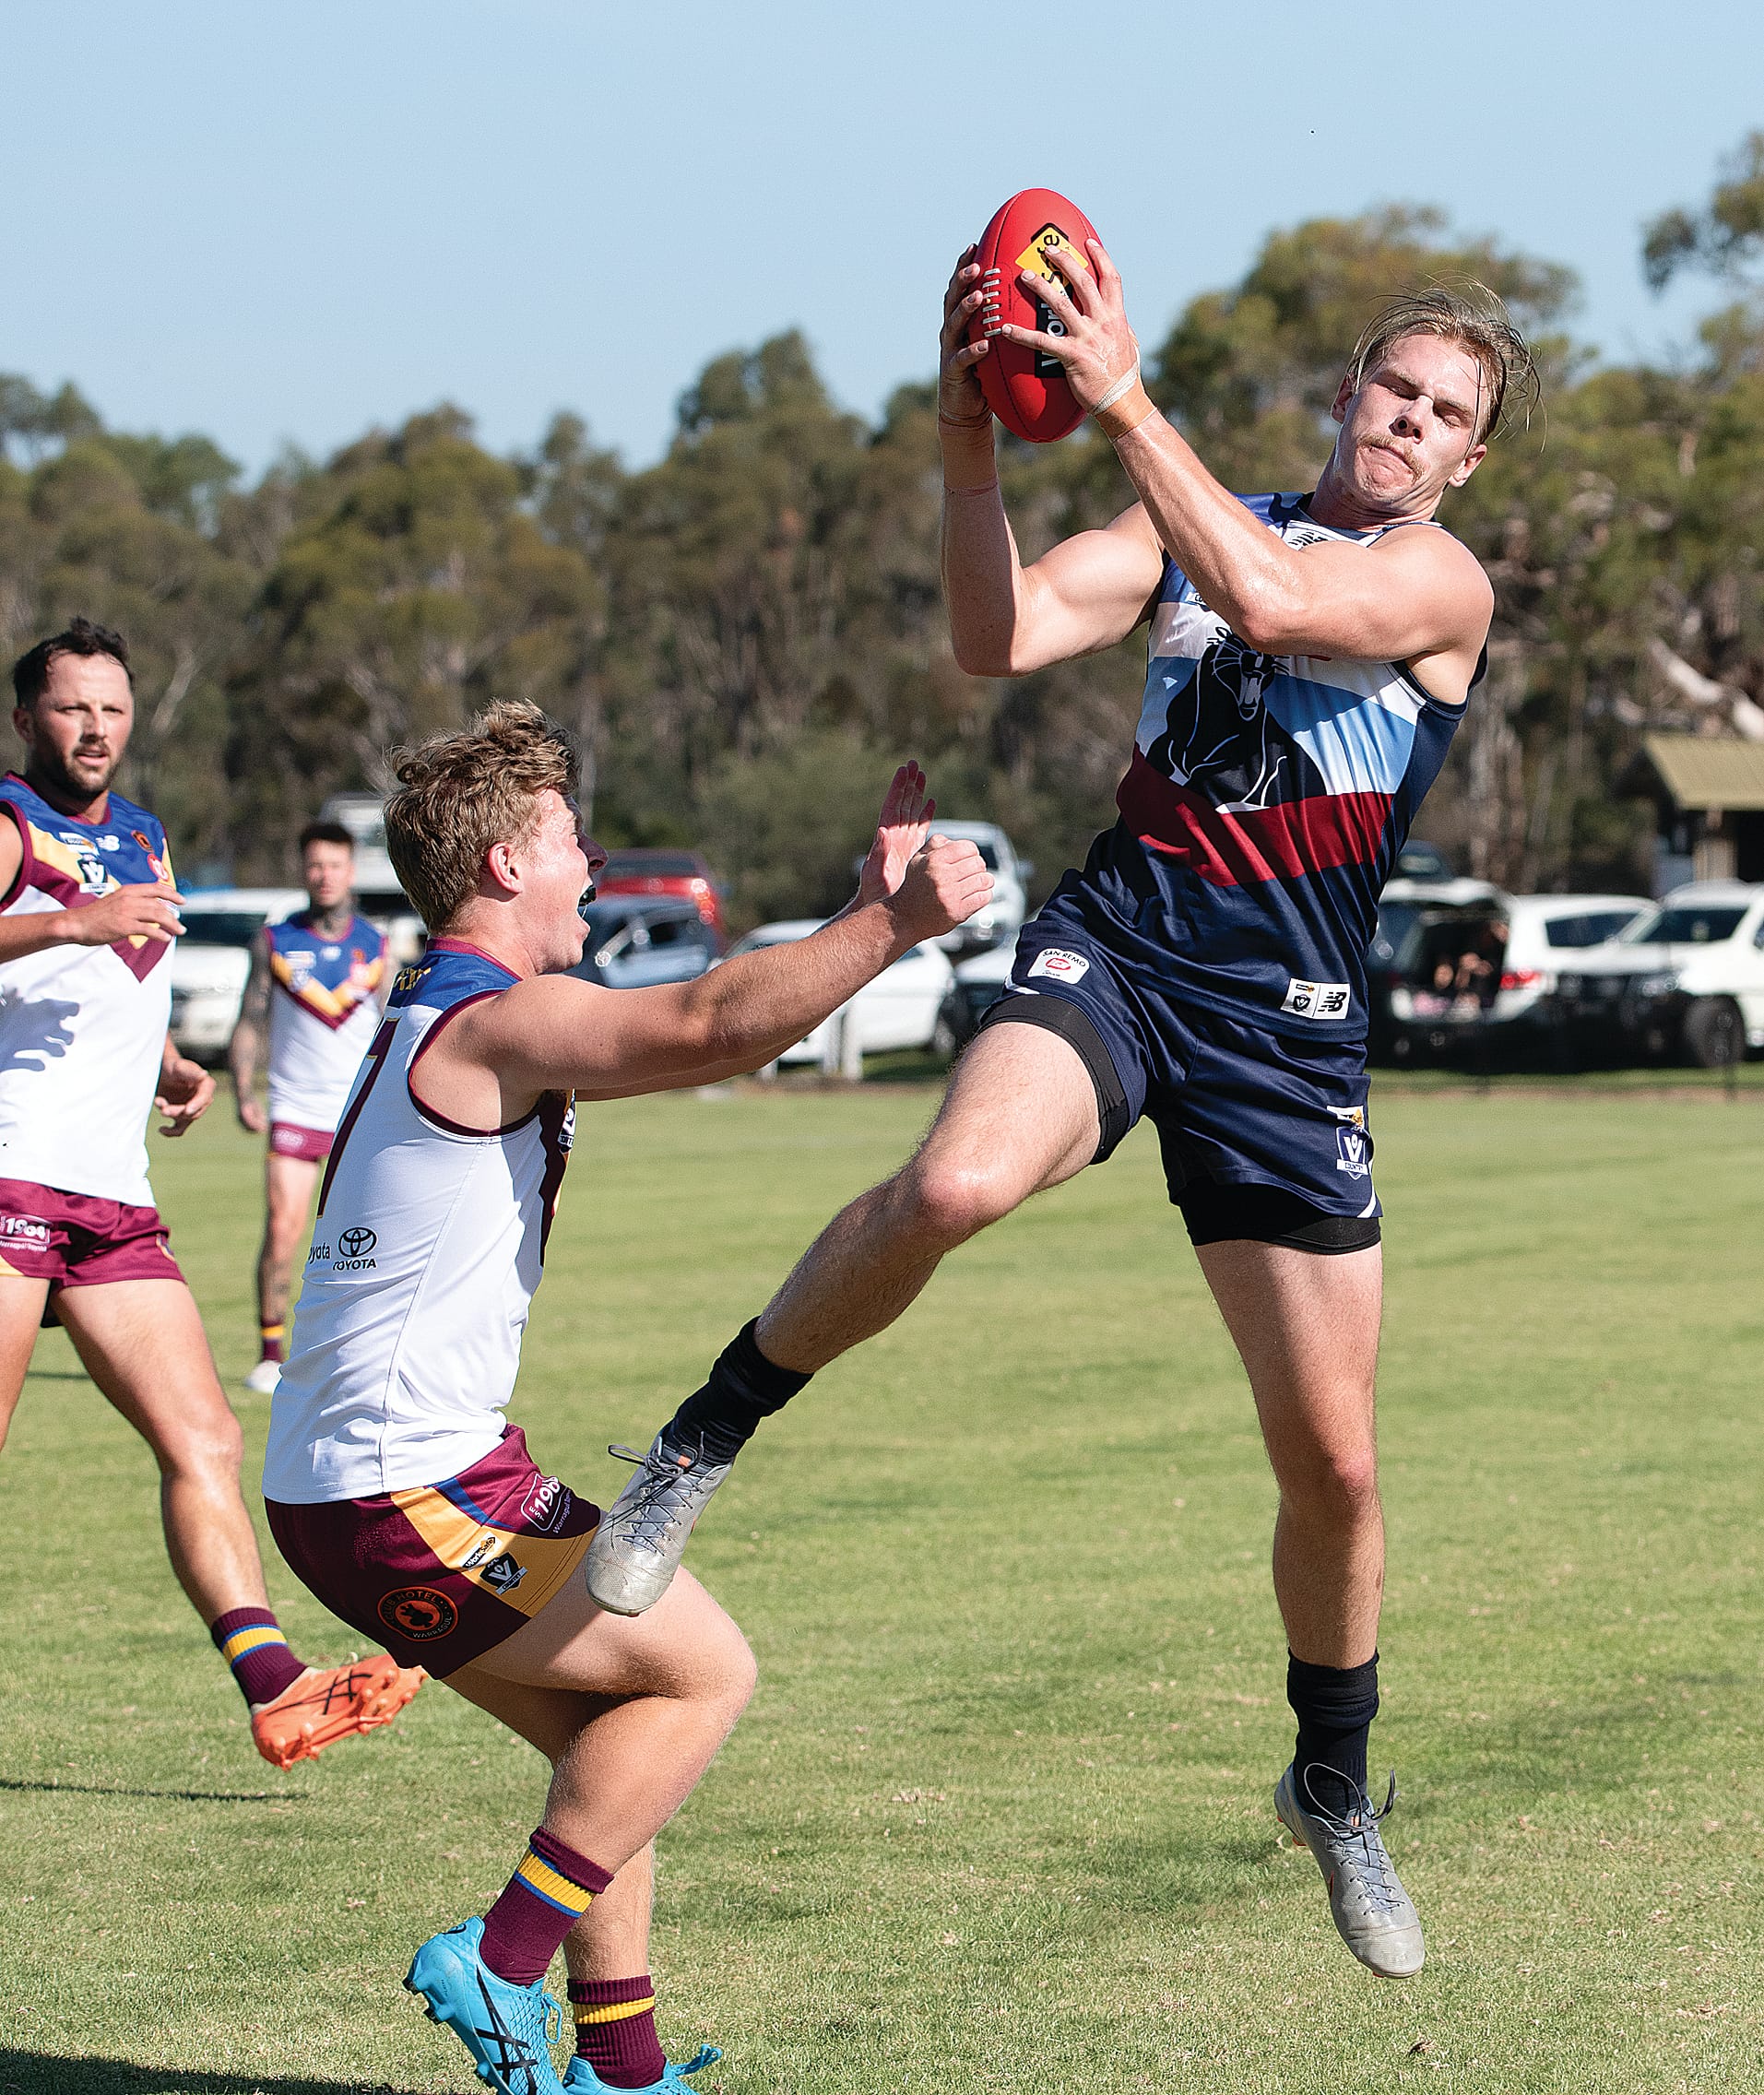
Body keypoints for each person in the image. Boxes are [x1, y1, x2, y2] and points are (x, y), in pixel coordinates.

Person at [587, 262, 1540, 1983]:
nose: (1407, 422)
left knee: (1331, 1462)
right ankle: (697, 1442)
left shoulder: (1433, 577)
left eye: (1443, 413)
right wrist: (969, 459)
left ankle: (1329, 1779)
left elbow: (1268, 601)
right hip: (1121, 951)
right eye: (1390, 388)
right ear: (1341, 395)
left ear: (1465, 462)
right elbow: (995, 638)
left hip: (1289, 1039)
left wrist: (1116, 395)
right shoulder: (1188, 513)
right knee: (951, 1178)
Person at [259, 701, 989, 2094]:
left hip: (394, 1484)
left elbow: (715, 1019)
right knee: (706, 1674)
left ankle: (621, 2071)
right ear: (504, 869)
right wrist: (895, 929)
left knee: (618, 1754)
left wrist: (855, 911)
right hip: (398, 1494)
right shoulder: (494, 1018)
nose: (591, 865)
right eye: (570, 839)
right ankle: (502, 1957)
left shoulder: (457, 1012)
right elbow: (709, 1022)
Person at [0, 617, 424, 1770]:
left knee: (207, 1438)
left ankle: (276, 1688)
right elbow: (60, 943)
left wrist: (170, 1063)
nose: (96, 727)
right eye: (72, 706)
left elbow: (108, 988)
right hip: (9, 1180)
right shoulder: (11, 821)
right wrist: (67, 917)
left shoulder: (144, 833)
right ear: (29, 716)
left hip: (110, 1200)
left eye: (114, 708)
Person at [230, 821, 389, 1393]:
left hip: (358, 1114)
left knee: (366, 1241)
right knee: (283, 1231)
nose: (324, 875)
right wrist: (245, 1091)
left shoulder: (377, 945)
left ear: (351, 870)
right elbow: (250, 1020)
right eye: (315, 865)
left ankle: (356, 1355)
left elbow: (391, 1031)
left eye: (335, 865)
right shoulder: (274, 941)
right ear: (303, 870)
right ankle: (271, 1355)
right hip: (295, 1108)